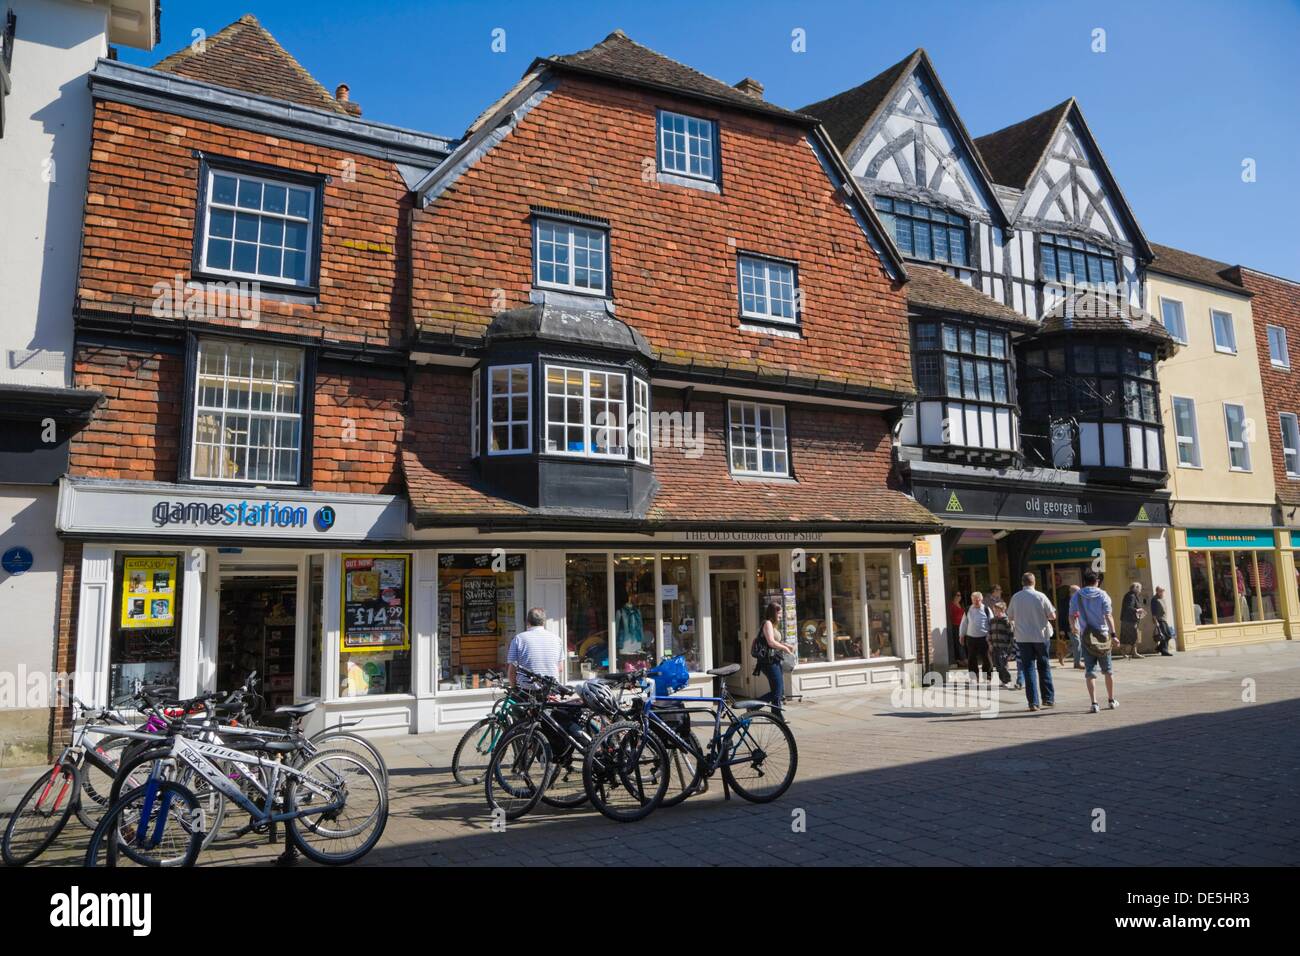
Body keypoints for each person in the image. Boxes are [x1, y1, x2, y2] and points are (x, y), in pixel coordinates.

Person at [1007, 571, 1057, 711]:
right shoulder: (1041, 596)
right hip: (1040, 636)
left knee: (1028, 668)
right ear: (1034, 582)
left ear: (1022, 582)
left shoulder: (1016, 597)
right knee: (1044, 666)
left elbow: (1009, 616)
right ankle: (1048, 698)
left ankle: (1033, 703)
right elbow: (1052, 615)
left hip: (1023, 638)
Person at [1072, 569, 1119, 712]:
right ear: (1097, 581)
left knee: (1090, 671)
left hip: (1086, 637)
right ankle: (1111, 700)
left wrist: (1075, 628)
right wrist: (1114, 634)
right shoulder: (1103, 595)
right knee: (1108, 671)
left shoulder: (1077, 596)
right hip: (1103, 636)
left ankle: (1094, 703)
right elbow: (1108, 616)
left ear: (1084, 581)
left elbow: (1072, 615)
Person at [507, 607, 565, 689]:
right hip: (550, 691)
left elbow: (512, 671)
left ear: (528, 622)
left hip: (527, 691)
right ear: (544, 622)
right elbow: (560, 668)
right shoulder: (557, 639)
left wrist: (513, 688)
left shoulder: (519, 639)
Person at [755, 600, 796, 706]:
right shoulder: (767, 623)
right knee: (777, 691)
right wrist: (784, 648)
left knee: (779, 691)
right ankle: (753, 706)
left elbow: (775, 641)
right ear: (773, 613)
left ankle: (776, 713)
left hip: (774, 660)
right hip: (769, 662)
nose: (781, 616)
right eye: (779, 613)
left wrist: (786, 645)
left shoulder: (772, 625)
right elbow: (771, 642)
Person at [961, 591, 992, 684]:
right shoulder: (968, 609)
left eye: (978, 600)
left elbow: (991, 622)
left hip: (984, 637)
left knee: (986, 658)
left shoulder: (986, 609)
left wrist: (991, 636)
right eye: (974, 600)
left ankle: (987, 677)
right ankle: (974, 678)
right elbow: (964, 623)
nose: (976, 602)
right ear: (972, 600)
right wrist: (961, 635)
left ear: (981, 599)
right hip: (971, 637)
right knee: (971, 658)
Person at [987, 601, 1015, 688]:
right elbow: (990, 633)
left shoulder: (1006, 621)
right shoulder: (992, 621)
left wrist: (1011, 649)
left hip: (1004, 647)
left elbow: (1011, 635)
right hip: (995, 646)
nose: (995, 612)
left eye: (997, 610)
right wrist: (990, 644)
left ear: (1002, 610)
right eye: (994, 610)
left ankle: (1007, 680)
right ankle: (1002, 680)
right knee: (997, 664)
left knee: (1003, 664)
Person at [1119, 582, 1146, 659]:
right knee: (1131, 636)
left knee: (1132, 636)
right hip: (1129, 620)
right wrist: (1138, 610)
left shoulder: (1131, 595)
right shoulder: (1131, 596)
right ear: (1136, 589)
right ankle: (1130, 652)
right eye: (1140, 589)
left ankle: (1132, 652)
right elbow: (1128, 608)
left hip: (1129, 620)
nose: (1140, 590)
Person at [1150, 585, 1174, 656]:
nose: (1162, 592)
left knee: (1169, 635)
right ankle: (1164, 650)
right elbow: (1153, 612)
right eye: (1160, 591)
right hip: (1159, 620)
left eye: (1163, 591)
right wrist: (1156, 622)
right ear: (1157, 591)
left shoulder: (1162, 598)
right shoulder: (1154, 599)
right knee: (1165, 635)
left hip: (1164, 619)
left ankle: (1159, 648)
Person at [1066, 584, 1084, 669]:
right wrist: (1071, 626)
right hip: (1072, 625)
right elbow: (1068, 615)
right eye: (1078, 591)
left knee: (1076, 643)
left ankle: (1063, 653)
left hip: (1077, 624)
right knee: (1077, 643)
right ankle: (1077, 663)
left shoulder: (1075, 600)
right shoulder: (1069, 601)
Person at [948, 590, 966, 664]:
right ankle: (961, 659)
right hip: (956, 626)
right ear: (954, 596)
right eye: (957, 595)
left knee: (963, 642)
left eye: (960, 595)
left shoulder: (960, 605)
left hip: (962, 626)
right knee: (958, 642)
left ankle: (963, 658)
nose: (959, 597)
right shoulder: (951, 605)